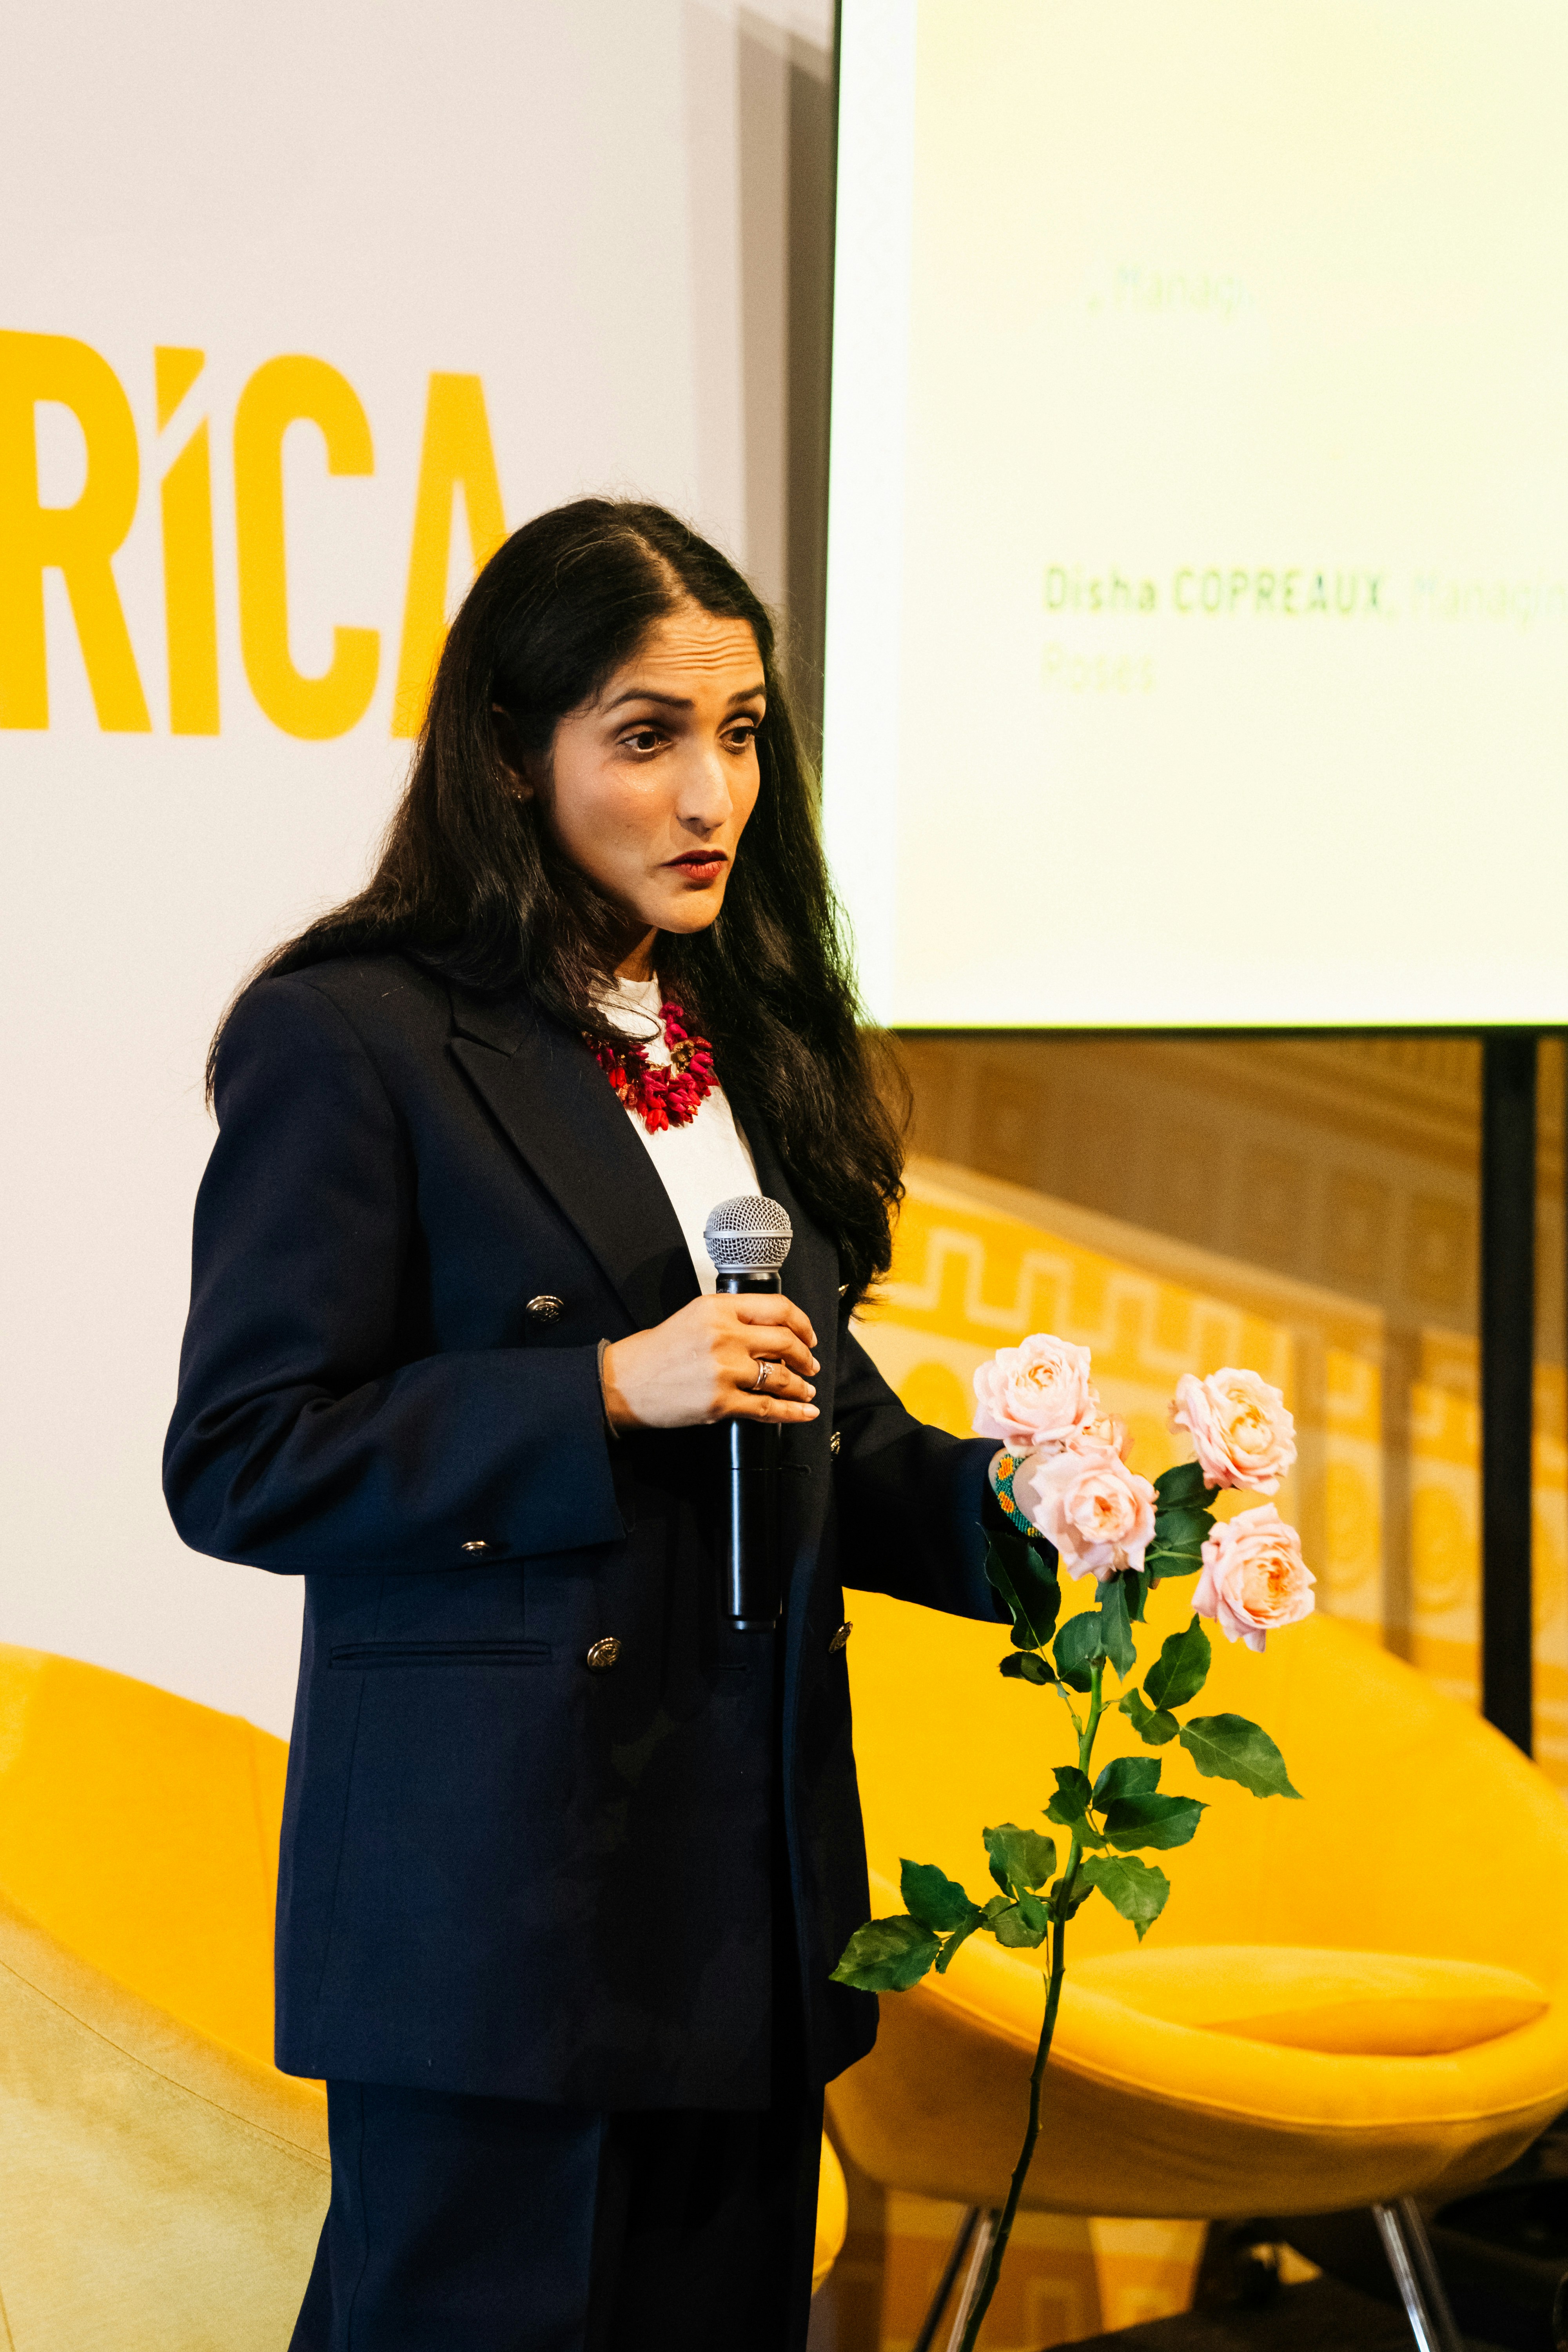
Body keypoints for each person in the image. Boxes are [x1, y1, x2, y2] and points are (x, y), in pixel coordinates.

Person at [164, 499, 1009, 2351]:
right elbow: (241, 1454)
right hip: (497, 1913)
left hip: (742, 1892)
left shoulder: (740, 1031)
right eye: (646, 737)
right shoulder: (356, 1037)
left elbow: (813, 1420)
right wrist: (605, 1387)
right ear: (507, 753)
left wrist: (1060, 1516)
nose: (711, 794)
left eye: (741, 735)